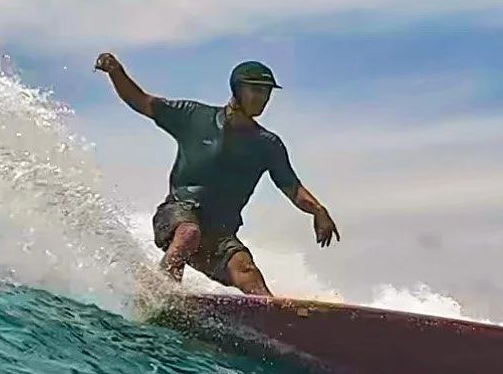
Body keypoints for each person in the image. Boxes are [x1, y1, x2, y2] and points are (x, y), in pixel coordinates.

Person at [95, 54, 339, 296]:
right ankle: (161, 293)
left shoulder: (268, 145)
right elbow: (142, 101)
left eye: (266, 92)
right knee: (189, 233)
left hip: (219, 232)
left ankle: (276, 326)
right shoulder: (194, 117)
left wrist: (319, 210)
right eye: (255, 90)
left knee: (247, 271)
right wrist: (116, 71)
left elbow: (292, 188)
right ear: (236, 90)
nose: (262, 98)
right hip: (177, 214)